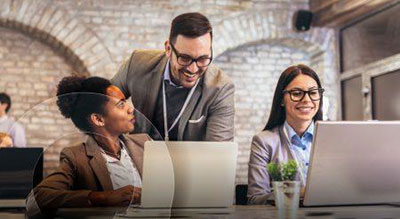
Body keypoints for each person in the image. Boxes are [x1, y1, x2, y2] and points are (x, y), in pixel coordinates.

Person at [27, 76, 150, 215]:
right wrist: (103, 197)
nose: (130, 109)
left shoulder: (145, 143)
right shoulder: (76, 158)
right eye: (121, 104)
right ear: (98, 119)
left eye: (126, 102)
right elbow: (36, 198)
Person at [112, 12, 235, 141]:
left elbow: (218, 152)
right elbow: (101, 104)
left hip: (190, 161)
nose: (193, 69)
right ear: (168, 49)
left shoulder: (221, 88)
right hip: (138, 158)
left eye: (203, 59)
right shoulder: (137, 64)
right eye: (185, 58)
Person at [247, 64, 324, 204]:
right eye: (296, 93)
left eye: (313, 93)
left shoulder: (333, 138)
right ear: (281, 99)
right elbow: (255, 199)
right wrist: (298, 193)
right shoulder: (264, 142)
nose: (307, 100)